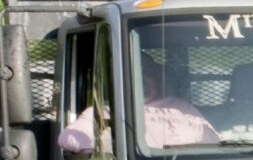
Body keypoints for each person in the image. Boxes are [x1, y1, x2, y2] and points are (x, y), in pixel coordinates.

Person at [59, 49, 217, 152]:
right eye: (136, 72)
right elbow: (67, 139)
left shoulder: (180, 107)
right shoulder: (105, 110)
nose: (143, 78)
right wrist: (108, 145)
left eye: (148, 71)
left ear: (156, 76)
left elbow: (213, 141)